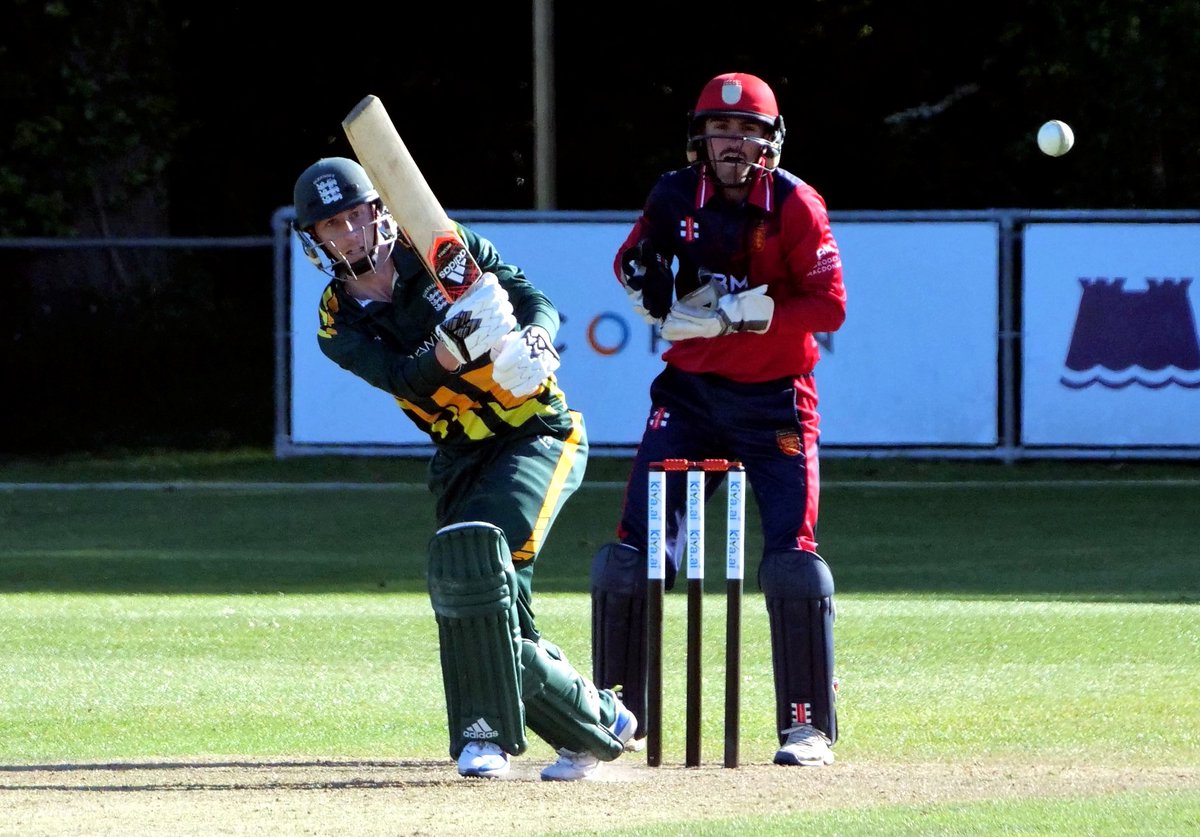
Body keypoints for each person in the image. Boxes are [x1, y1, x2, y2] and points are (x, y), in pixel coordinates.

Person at [291, 156, 635, 781]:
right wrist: (450, 348)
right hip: (459, 452)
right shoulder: (335, 318)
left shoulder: (441, 250)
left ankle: (488, 739)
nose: (345, 235)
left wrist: (536, 337)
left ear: (378, 210)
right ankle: (596, 720)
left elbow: (532, 298)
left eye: (352, 217)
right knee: (485, 596)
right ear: (314, 240)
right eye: (329, 228)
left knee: (481, 556)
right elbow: (401, 378)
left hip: (535, 431)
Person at [591, 72, 846, 766]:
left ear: (770, 142)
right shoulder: (676, 194)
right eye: (721, 131)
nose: (733, 144)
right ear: (701, 138)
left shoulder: (795, 205)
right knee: (631, 556)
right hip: (690, 396)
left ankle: (806, 723)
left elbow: (828, 307)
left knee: (791, 559)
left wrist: (741, 310)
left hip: (775, 401)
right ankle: (613, 715)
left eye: (747, 133)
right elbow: (632, 255)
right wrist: (640, 279)